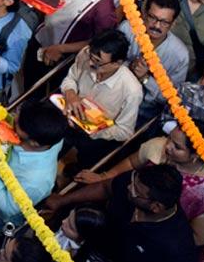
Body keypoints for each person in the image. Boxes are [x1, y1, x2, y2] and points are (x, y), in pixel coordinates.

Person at [71, 122, 204, 256]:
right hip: (124, 210)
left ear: (195, 155)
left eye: (177, 147)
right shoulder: (158, 146)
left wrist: (150, 232)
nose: (167, 147)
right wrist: (104, 176)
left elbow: (197, 238)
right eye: (169, 139)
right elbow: (132, 163)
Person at [58, 30, 143, 165]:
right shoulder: (86, 54)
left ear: (117, 63)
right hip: (68, 117)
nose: (91, 63)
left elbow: (124, 131)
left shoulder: (132, 90)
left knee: (86, 161)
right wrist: (71, 94)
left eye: (98, 62)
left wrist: (93, 131)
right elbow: (71, 78)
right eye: (91, 57)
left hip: (98, 138)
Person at [0, 100, 67, 230]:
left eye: (16, 126)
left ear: (34, 143)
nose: (13, 119)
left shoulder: (36, 182)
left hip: (2, 217)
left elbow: (8, 207)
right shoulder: (51, 135)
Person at [119, 0, 189, 122]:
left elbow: (171, 98)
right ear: (144, 14)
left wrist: (146, 79)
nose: (156, 26)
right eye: (152, 18)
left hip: (143, 109)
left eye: (164, 22)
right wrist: (129, 66)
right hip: (113, 92)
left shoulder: (180, 55)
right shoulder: (127, 28)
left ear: (173, 23)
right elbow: (109, 60)